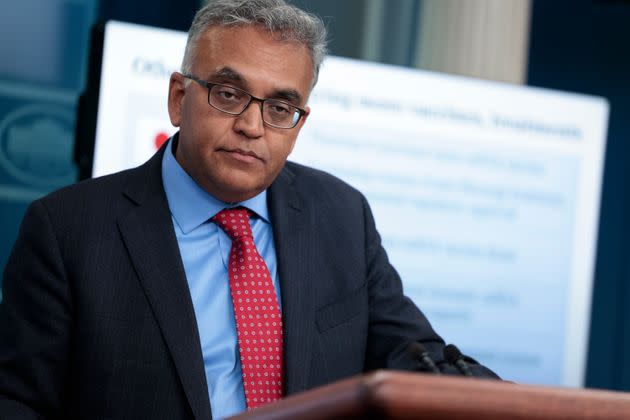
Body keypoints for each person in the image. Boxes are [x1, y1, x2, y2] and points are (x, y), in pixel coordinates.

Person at [0, 0, 498, 418]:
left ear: (298, 124)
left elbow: (415, 356)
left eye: (280, 108)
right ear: (179, 99)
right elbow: (19, 402)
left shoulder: (341, 215)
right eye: (229, 94)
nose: (252, 126)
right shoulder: (69, 229)